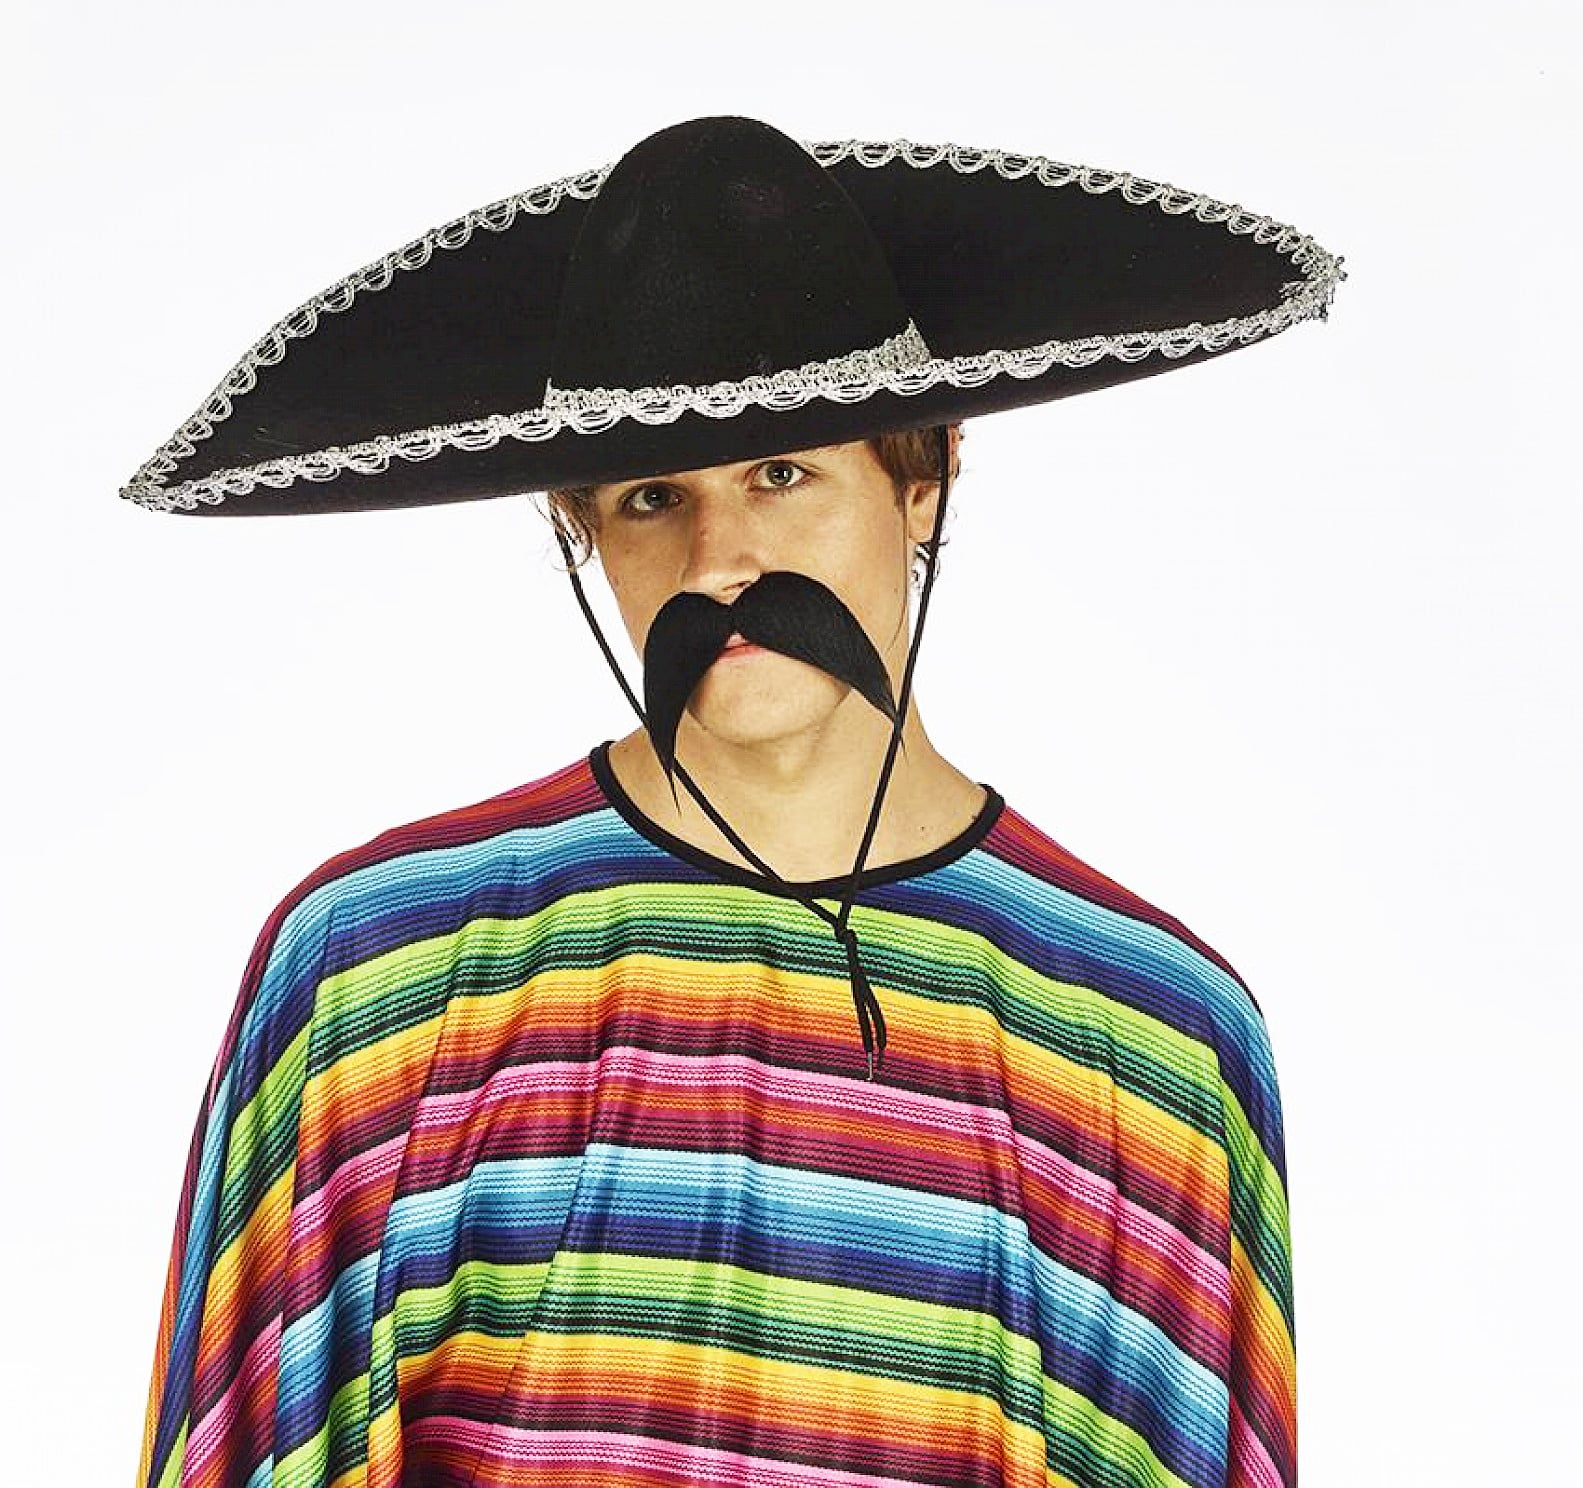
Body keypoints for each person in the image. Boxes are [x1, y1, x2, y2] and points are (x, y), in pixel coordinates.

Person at [125, 116, 1339, 1488]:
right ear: (582, 527)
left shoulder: (1149, 1042)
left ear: (926, 473)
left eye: (782, 471)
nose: (721, 560)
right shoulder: (383, 976)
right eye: (654, 495)